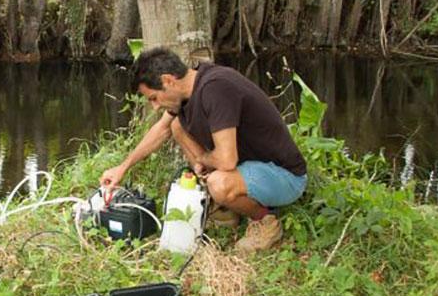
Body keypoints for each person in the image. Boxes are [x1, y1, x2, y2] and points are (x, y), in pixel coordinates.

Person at [100, 47, 308, 252]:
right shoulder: (190, 89)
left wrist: (201, 159)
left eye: (154, 98)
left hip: (286, 177)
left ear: (169, 81)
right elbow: (161, 130)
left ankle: (265, 222)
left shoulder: (216, 89)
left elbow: (227, 160)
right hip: (249, 168)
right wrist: (122, 167)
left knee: (219, 183)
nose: (154, 106)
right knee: (176, 126)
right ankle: (228, 206)